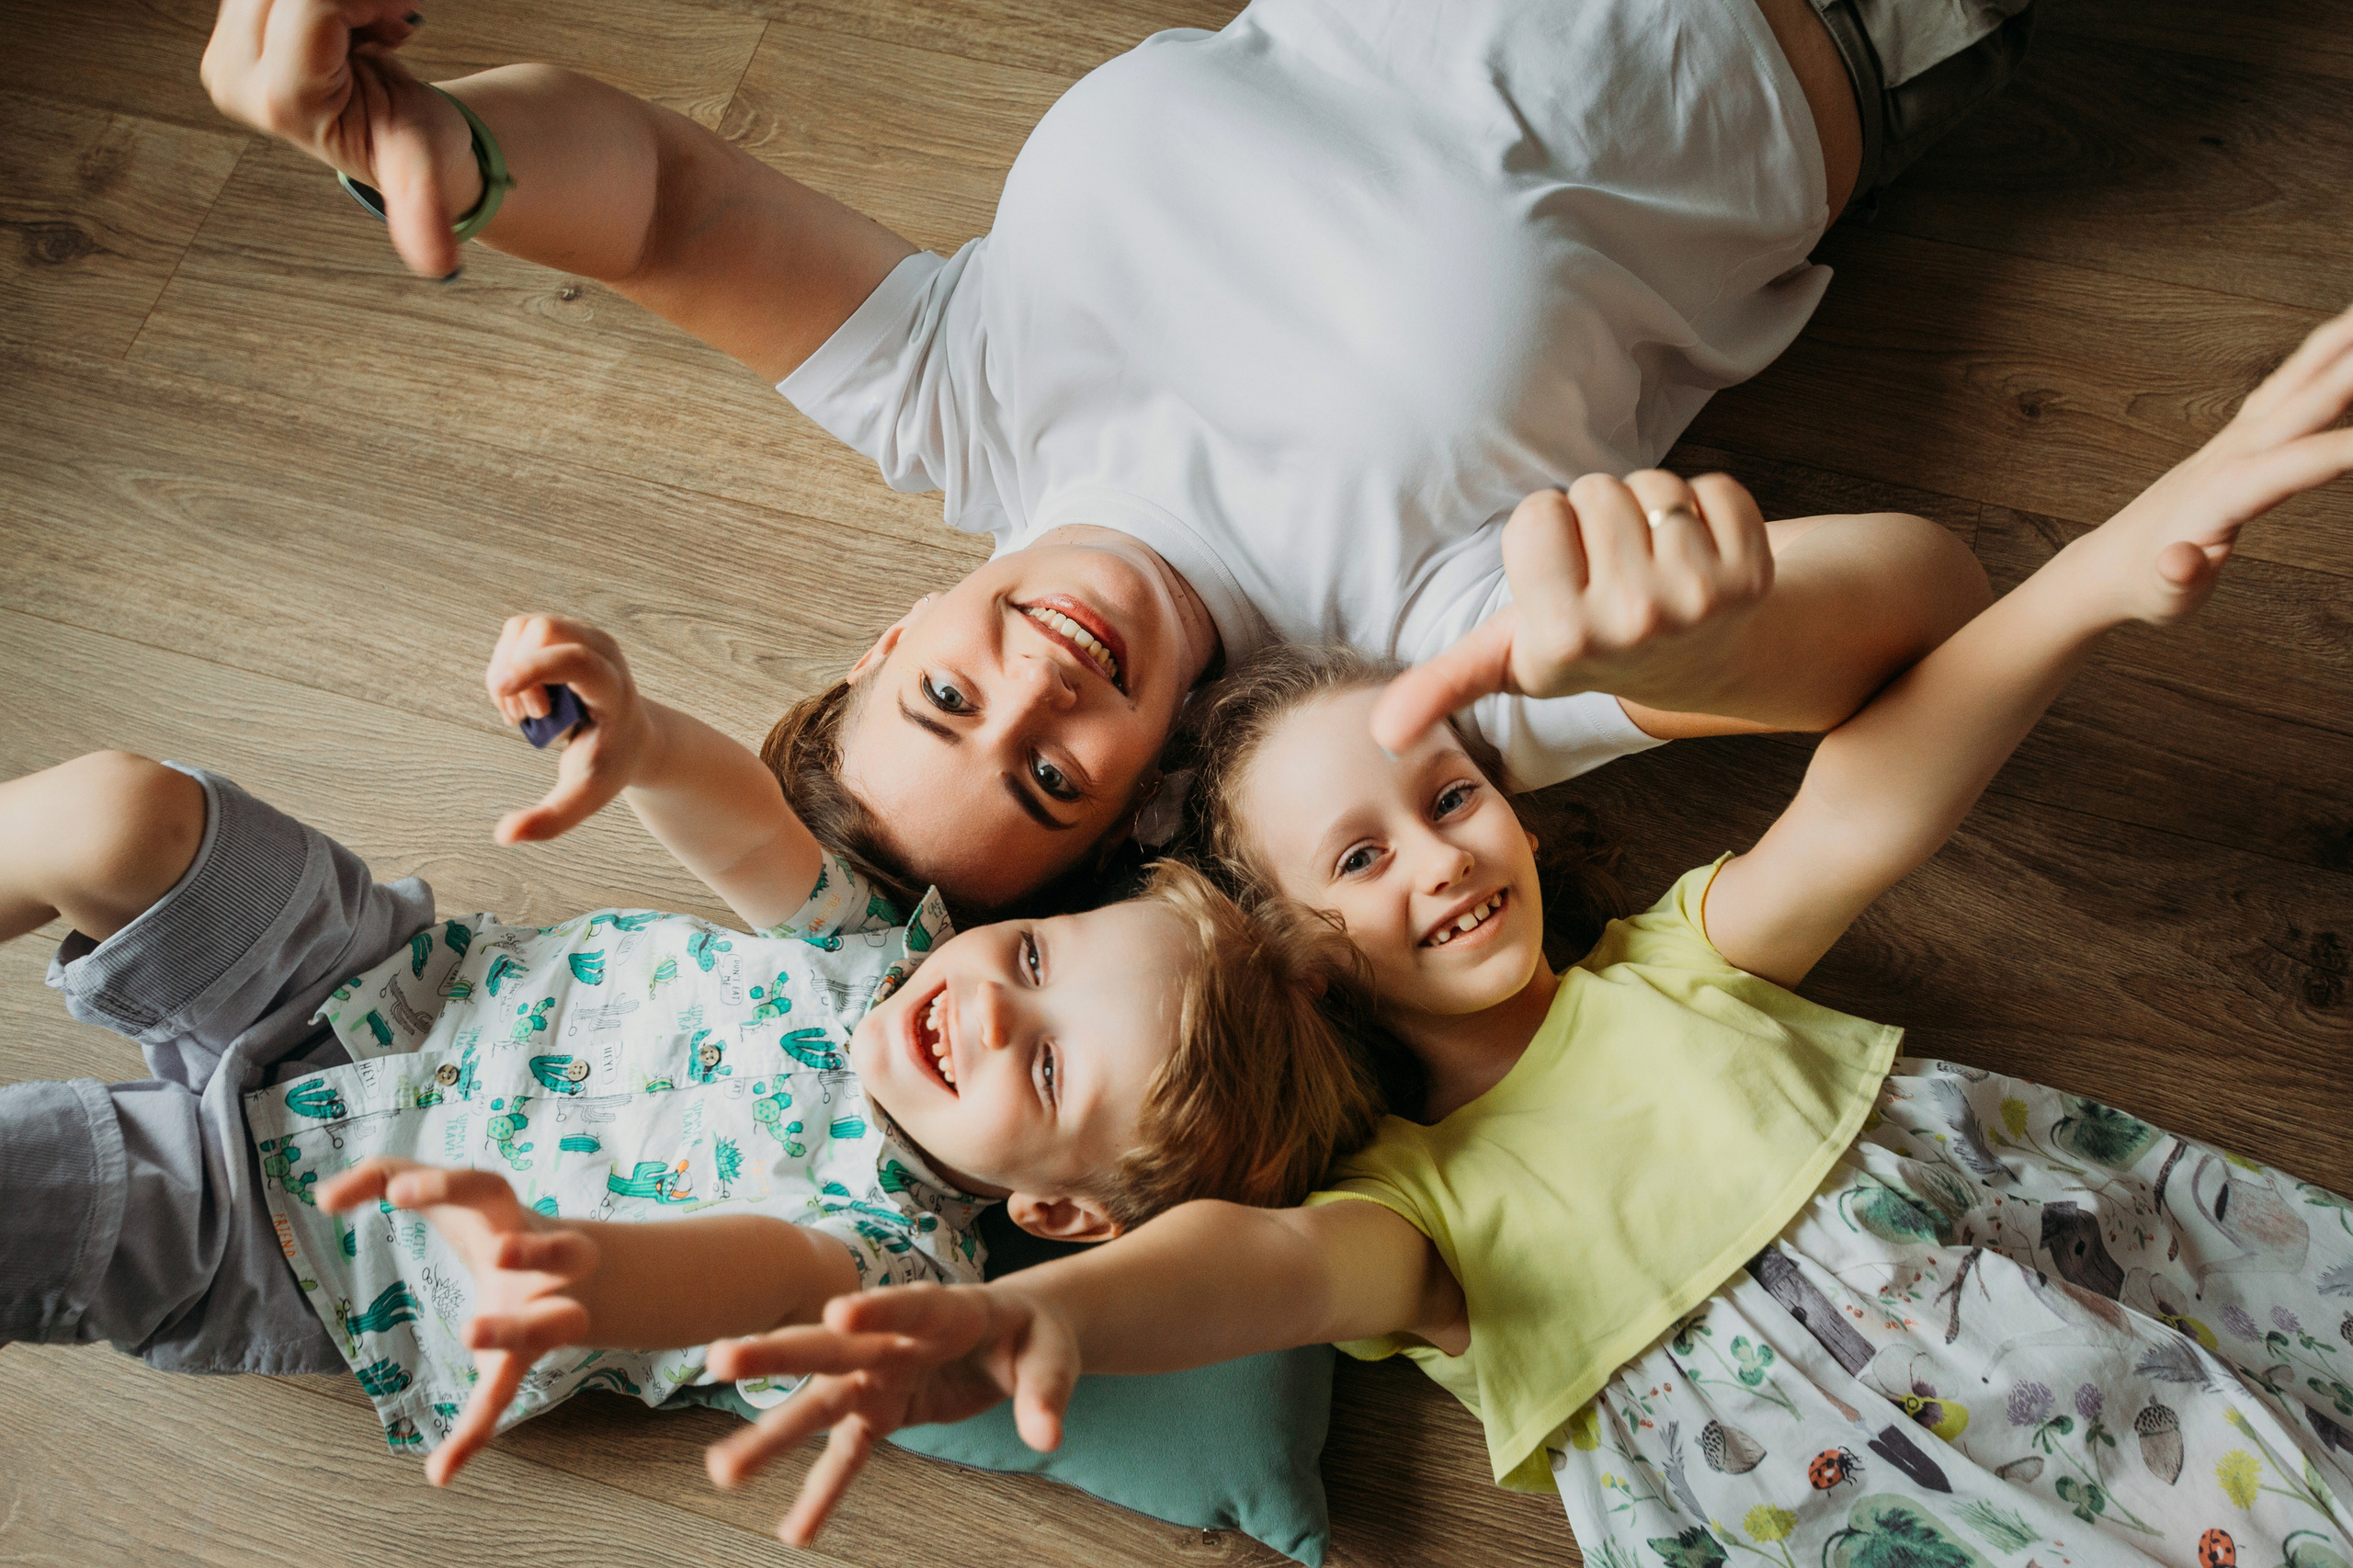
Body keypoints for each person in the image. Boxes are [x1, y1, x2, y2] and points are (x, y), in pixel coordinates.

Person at [688, 307, 2353, 1564]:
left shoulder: (1671, 972)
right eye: (1360, 850)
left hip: (2111, 1349)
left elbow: (1862, 803)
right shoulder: (1410, 1210)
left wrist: (2107, 567)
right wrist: (1049, 1321)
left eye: (1452, 795)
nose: (1440, 852)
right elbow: (1259, 1271)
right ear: (1293, 945)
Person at [195, 0, 2027, 914]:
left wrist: (422, 133)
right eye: (1051, 777)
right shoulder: (1389, 674)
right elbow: (1907, 610)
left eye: (941, 703)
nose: (1033, 692)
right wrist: (1691, 642)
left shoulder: (962, 399)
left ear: (887, 638)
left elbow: (664, 204)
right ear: (1150, 793)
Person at [0, 616, 1381, 1482]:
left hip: (317, 1243)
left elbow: (763, 1277)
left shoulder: (896, 1250)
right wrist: (641, 736)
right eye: (1031, 958)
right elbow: (748, 836)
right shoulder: (880, 949)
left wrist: (587, 1271)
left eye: (1047, 1069)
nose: (994, 1007)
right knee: (121, 812)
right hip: (380, 983)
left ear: (1062, 1208)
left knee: (38, 1187)